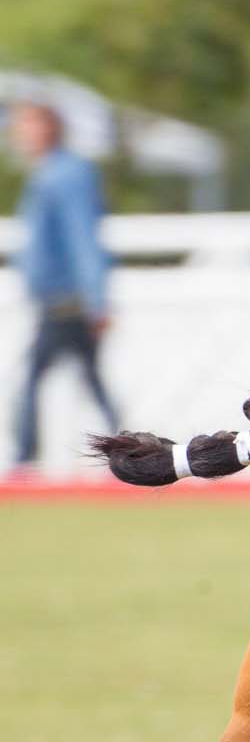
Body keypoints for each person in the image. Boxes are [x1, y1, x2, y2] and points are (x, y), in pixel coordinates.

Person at [10, 98, 119, 474]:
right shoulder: (46, 173)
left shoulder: (66, 175)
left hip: (66, 299)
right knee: (90, 378)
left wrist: (96, 299)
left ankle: (24, 457)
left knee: (32, 378)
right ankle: (128, 445)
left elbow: (82, 239)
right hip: (58, 296)